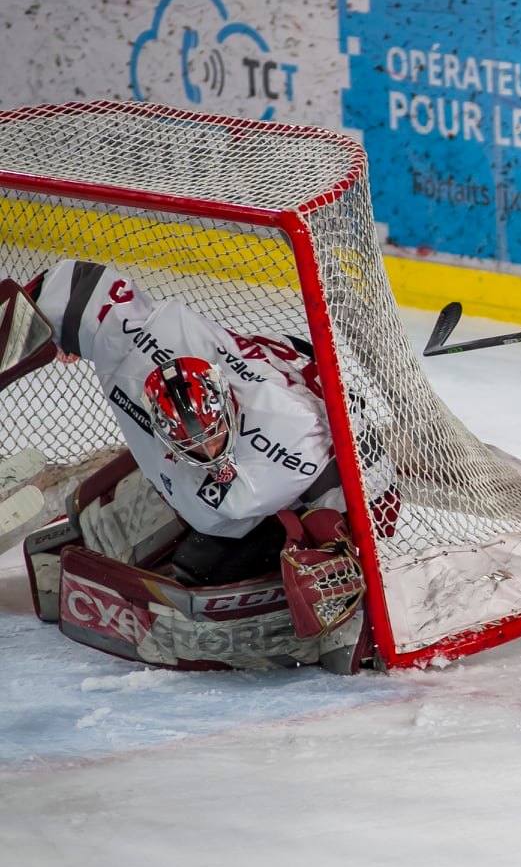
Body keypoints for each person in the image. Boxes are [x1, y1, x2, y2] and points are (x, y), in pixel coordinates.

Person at [9, 259, 377, 667]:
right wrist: (35, 326)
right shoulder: (132, 347)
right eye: (191, 445)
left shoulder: (290, 442)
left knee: (207, 566)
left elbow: (362, 474)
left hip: (311, 414)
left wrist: (328, 541)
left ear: (226, 402)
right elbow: (72, 285)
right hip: (256, 410)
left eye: (214, 436)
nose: (208, 453)